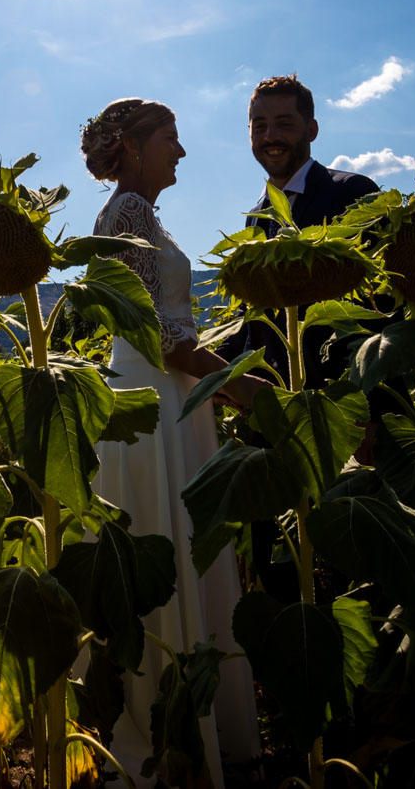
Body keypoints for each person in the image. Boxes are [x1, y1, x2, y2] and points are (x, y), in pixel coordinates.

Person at [80, 97, 265, 788]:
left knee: (185, 552)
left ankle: (186, 729)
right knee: (172, 557)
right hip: (152, 406)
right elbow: (163, 341)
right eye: (170, 137)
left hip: (171, 402)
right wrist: (250, 388)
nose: (181, 150)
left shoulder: (142, 215)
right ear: (129, 145)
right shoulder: (126, 212)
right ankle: (166, 739)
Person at [218, 73, 379, 599]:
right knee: (282, 570)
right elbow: (255, 322)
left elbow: (379, 312)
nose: (270, 136)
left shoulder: (351, 193)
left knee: (353, 570)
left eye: (283, 123)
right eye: (258, 125)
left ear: (311, 127)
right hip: (272, 418)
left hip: (338, 416)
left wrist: (370, 411)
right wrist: (206, 367)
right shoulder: (259, 215)